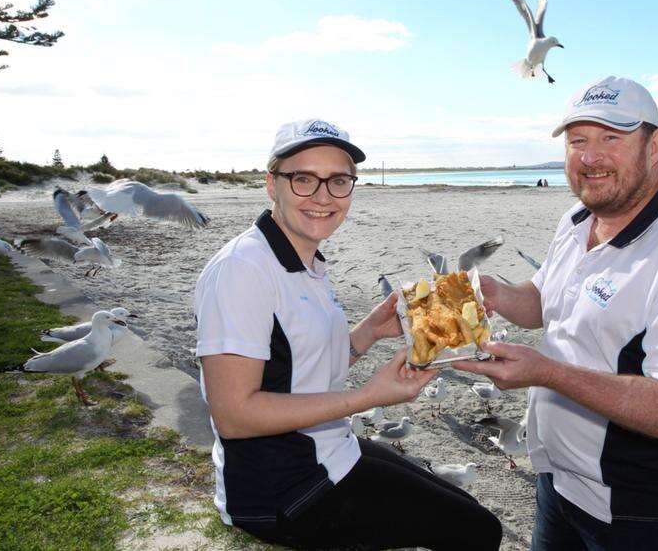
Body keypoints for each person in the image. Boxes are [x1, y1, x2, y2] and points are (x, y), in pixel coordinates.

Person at [455, 77, 658, 551]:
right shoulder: (576, 220)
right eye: (578, 141)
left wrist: (545, 373)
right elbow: (547, 302)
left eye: (612, 138)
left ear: (656, 146)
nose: (590, 157)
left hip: (642, 508)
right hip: (559, 483)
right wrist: (500, 294)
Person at [194, 118, 502, 550]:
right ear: (271, 184)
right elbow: (234, 416)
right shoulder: (241, 271)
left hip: (325, 445)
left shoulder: (303, 260)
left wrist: (371, 331)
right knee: (478, 531)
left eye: (338, 181)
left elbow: (299, 365)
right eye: (304, 179)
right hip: (283, 487)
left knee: (461, 504)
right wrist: (368, 398)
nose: (323, 196)